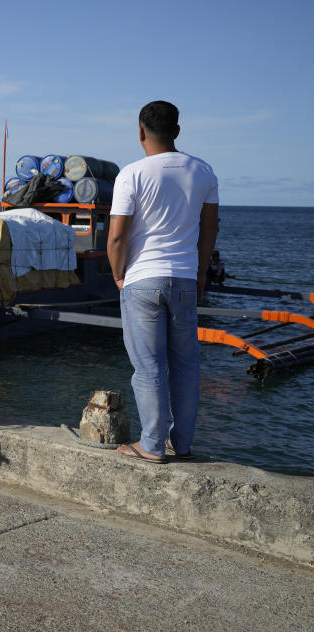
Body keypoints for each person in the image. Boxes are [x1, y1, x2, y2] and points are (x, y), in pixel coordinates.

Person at [108, 100, 219, 464]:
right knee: (186, 364)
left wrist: (118, 274)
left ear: (140, 131)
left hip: (142, 280)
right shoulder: (203, 172)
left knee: (149, 366)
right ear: (177, 130)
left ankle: (151, 445)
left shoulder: (132, 174)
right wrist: (200, 274)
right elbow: (209, 231)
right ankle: (181, 443)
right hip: (185, 278)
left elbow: (118, 238)